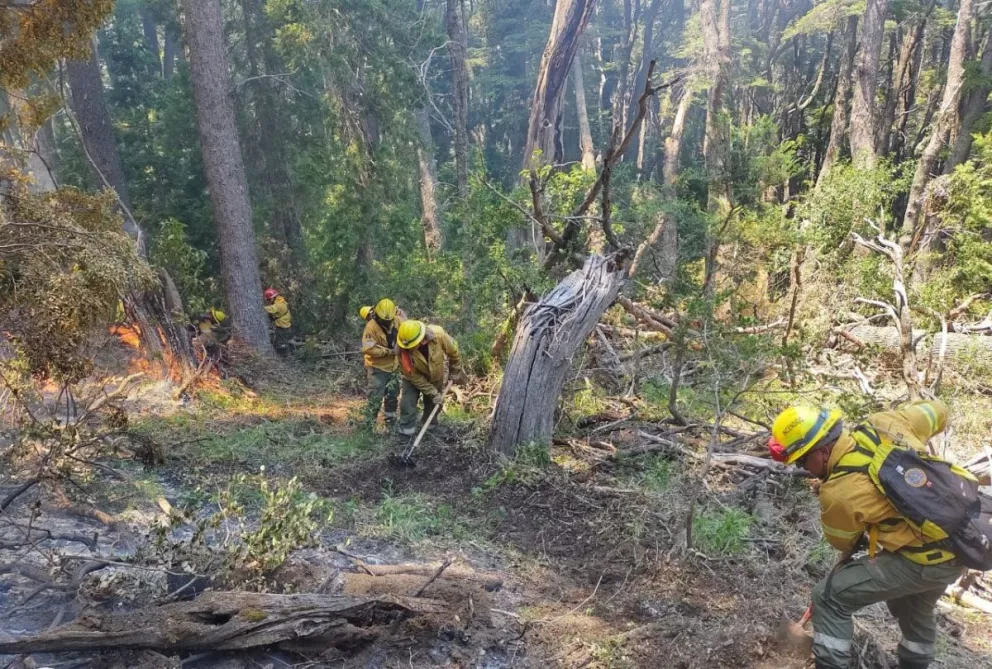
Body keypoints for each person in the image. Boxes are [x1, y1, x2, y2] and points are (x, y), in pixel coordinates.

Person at [768, 401, 965, 669]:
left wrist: (829, 495)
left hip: (924, 560)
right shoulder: (885, 422)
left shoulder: (839, 491)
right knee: (912, 605)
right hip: (962, 545)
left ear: (823, 451)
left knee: (828, 598)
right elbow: (939, 410)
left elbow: (843, 541)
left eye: (803, 459)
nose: (802, 467)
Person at [395, 320, 468, 437]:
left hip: (435, 375)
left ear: (421, 339)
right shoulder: (403, 351)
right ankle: (405, 432)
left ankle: (430, 428)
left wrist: (454, 372)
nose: (409, 348)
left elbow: (454, 352)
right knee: (407, 403)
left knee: (434, 404)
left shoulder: (438, 335)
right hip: (413, 379)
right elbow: (413, 376)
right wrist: (433, 392)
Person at [361, 299, 401, 429]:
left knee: (392, 397)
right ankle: (368, 427)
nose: (388, 322)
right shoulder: (371, 327)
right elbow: (369, 349)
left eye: (389, 320)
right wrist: (389, 352)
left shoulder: (396, 321)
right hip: (377, 368)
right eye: (385, 320)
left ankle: (391, 424)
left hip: (394, 367)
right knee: (375, 398)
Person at [263, 288, 293, 356]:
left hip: (283, 328)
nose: (268, 301)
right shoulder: (280, 301)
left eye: (268, 299)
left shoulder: (278, 305)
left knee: (282, 345)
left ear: (272, 298)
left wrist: (260, 307)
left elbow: (271, 309)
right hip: (284, 327)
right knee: (282, 342)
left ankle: (285, 359)